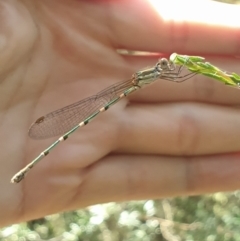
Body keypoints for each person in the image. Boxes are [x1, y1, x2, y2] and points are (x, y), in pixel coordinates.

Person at [1, 0, 240, 227]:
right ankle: (26, 170)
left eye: (165, 66)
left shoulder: (155, 73)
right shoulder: (149, 76)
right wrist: (197, 70)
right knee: (71, 129)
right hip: (102, 100)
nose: (165, 67)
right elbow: (179, 76)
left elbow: (176, 75)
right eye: (163, 65)